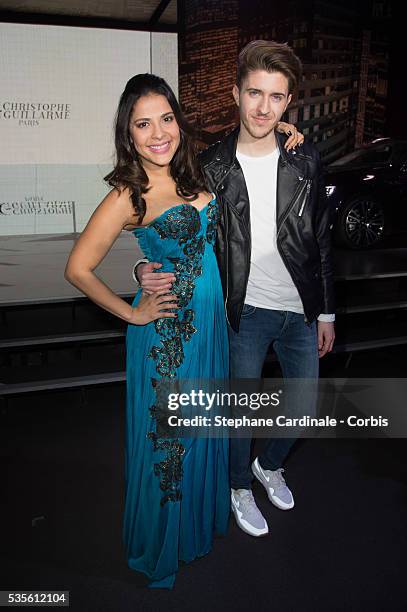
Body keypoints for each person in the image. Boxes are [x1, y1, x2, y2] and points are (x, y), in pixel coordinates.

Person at [136, 40, 335, 539]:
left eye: (276, 96)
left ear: (288, 102)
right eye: (254, 93)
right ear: (235, 94)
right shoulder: (209, 167)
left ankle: (269, 466)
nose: (264, 107)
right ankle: (239, 485)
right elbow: (170, 223)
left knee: (302, 413)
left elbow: (320, 241)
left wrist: (326, 313)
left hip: (301, 312)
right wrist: (143, 266)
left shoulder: (305, 158)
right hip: (244, 312)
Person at [64, 73, 232, 589]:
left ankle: (191, 530)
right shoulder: (127, 193)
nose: (158, 132)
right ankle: (163, 542)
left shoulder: (194, 173)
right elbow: (78, 268)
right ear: (128, 133)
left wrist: (286, 126)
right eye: (143, 123)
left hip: (209, 329)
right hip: (168, 338)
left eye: (166, 118)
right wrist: (133, 311)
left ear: (178, 121)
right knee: (171, 443)